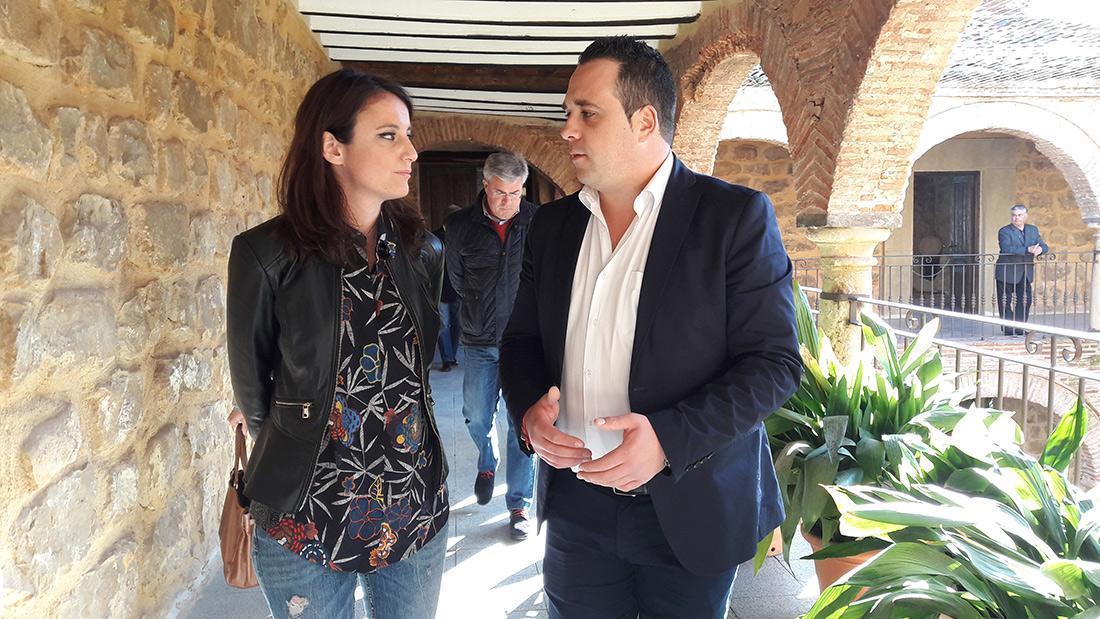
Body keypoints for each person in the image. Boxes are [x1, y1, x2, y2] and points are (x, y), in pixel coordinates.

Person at [500, 37, 802, 618]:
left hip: (692, 504)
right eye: (568, 113)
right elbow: (521, 342)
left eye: (587, 114)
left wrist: (669, 439)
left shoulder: (733, 218)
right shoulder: (552, 227)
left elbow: (774, 364)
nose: (567, 130)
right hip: (577, 506)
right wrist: (529, 412)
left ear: (644, 122)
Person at [226, 68, 448, 619]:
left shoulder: (422, 251)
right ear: (333, 147)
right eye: (389, 135)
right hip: (306, 519)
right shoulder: (266, 255)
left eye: (408, 134)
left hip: (414, 506)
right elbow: (255, 396)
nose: (410, 151)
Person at [444, 151, 538, 539]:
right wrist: (480, 309)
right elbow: (457, 281)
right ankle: (487, 459)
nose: (507, 202)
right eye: (500, 192)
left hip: (525, 341)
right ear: (485, 185)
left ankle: (519, 504)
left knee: (522, 425)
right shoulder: (459, 227)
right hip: (480, 338)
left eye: (515, 193)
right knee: (477, 415)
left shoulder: (537, 222)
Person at [995, 204, 1049, 335]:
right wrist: (1027, 249)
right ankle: (1008, 329)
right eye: (1013, 215)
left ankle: (1019, 328)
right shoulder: (1004, 231)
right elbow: (1006, 248)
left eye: (1019, 215)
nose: (1016, 218)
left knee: (1025, 300)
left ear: (1025, 216)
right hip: (1007, 270)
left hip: (1025, 271)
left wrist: (1040, 249)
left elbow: (1043, 245)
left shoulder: (1032, 230)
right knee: (1005, 301)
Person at [433, 204, 463, 371]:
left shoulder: (463, 237)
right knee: (443, 325)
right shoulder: (434, 237)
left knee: (458, 324)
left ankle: (452, 355)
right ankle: (447, 359)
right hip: (440, 288)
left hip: (459, 289)